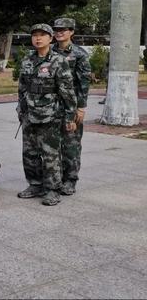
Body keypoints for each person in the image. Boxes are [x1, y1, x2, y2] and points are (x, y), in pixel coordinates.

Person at [17, 23, 76, 206]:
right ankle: (35, 185)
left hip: (50, 115)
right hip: (29, 115)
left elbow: (68, 91)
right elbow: (22, 87)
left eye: (43, 35)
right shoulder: (27, 60)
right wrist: (21, 109)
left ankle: (52, 189)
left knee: (50, 154)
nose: (38, 38)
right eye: (35, 35)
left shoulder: (59, 61)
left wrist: (70, 116)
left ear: (50, 39)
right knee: (29, 153)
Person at [52, 18, 91, 196]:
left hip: (71, 106)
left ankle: (70, 180)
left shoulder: (79, 54)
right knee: (53, 145)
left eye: (63, 29)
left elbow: (84, 83)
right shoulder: (48, 51)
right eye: (56, 29)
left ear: (71, 32)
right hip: (50, 106)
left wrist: (81, 108)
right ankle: (56, 178)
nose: (59, 32)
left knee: (71, 144)